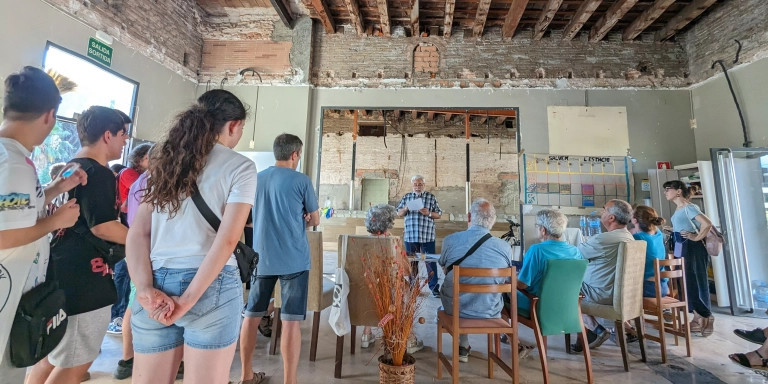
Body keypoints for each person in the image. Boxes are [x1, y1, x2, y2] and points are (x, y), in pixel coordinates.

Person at [125, 89, 255, 384]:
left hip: (155, 280)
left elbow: (138, 233)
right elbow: (226, 241)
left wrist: (144, 289)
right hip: (213, 284)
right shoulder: (241, 167)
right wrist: (186, 301)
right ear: (233, 125)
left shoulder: (164, 161)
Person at [26, 106, 129, 384]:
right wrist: (144, 240)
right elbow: (103, 226)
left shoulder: (71, 166)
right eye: (122, 134)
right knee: (76, 361)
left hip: (58, 268)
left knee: (49, 354)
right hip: (86, 278)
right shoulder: (100, 173)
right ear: (107, 135)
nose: (124, 140)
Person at [0, 66, 85, 382]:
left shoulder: (11, 157)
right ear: (49, 116)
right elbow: (4, 235)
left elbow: (13, 210)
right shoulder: (13, 164)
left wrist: (56, 189)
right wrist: (56, 221)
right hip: (7, 293)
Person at [238, 133, 319, 384]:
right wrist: (304, 218)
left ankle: (246, 375)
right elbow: (315, 220)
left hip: (262, 258)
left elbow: (248, 219)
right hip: (294, 260)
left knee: (252, 315)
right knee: (291, 322)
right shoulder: (301, 181)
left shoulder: (256, 179)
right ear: (295, 154)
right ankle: (290, 381)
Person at [438, 198, 513, 363]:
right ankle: (465, 347)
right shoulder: (505, 248)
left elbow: (443, 266)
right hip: (490, 311)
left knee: (456, 288)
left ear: (469, 217)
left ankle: (462, 345)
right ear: (492, 221)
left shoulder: (450, 240)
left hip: (454, 310)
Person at [572, 199, 635, 353]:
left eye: (604, 209)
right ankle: (625, 328)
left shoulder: (604, 239)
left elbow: (575, 255)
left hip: (601, 294)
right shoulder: (629, 237)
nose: (602, 212)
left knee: (561, 284)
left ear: (611, 218)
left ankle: (596, 330)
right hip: (623, 294)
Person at [359, 204, 423, 353]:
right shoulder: (392, 241)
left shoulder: (361, 241)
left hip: (365, 286)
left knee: (371, 288)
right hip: (390, 290)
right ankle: (409, 338)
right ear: (389, 222)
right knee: (408, 290)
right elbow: (405, 269)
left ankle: (366, 334)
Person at [108, 140, 150, 335]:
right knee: (124, 275)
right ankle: (116, 316)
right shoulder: (131, 174)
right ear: (141, 159)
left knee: (129, 279)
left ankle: (121, 315)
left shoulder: (140, 176)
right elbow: (140, 194)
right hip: (127, 229)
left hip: (132, 229)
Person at [663, 180, 715, 337]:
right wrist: (674, 230)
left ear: (678, 191)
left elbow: (707, 224)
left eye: (668, 189)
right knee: (686, 282)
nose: (665, 192)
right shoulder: (680, 209)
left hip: (692, 249)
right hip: (682, 246)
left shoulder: (689, 207)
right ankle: (697, 317)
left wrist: (696, 237)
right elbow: (685, 225)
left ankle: (706, 316)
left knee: (695, 282)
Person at [396, 175, 443, 297]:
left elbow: (439, 214)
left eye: (420, 184)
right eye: (415, 184)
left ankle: (434, 288)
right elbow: (399, 213)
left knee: (430, 262)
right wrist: (406, 208)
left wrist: (428, 213)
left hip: (427, 237)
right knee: (412, 264)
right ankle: (413, 289)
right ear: (412, 185)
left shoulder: (431, 197)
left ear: (424, 185)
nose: (418, 186)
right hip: (411, 237)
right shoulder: (407, 197)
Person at [630, 205, 669, 298]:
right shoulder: (658, 233)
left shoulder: (637, 238)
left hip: (649, 287)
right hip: (663, 285)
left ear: (634, 220)